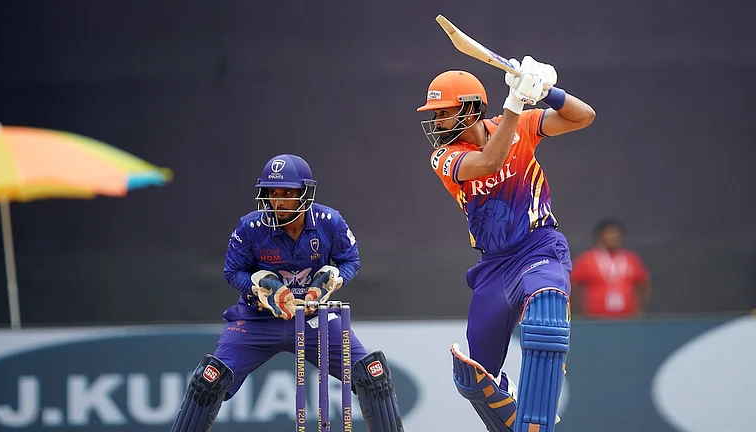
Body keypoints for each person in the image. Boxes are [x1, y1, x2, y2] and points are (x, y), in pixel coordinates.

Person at [416, 57, 595, 432]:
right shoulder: (443, 156)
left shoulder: (523, 124)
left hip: (538, 246)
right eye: (435, 115)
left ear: (470, 110)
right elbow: (488, 163)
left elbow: (584, 116)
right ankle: (513, 412)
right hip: (494, 265)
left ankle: (538, 421)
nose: (437, 123)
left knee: (545, 311)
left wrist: (548, 92)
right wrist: (515, 101)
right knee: (473, 376)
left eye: (444, 113)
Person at [171, 154, 405, 432]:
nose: (278, 201)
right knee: (209, 380)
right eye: (272, 193)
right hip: (257, 319)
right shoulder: (251, 227)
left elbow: (350, 260)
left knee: (371, 375)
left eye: (287, 193)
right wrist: (261, 287)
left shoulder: (329, 221)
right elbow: (233, 272)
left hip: (313, 319)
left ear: (305, 193)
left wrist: (332, 279)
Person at [570, 219, 651, 318]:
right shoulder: (587, 259)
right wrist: (579, 310)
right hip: (595, 319)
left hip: (628, 319)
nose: (612, 237)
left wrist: (639, 307)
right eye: (608, 233)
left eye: (615, 234)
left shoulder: (631, 259)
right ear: (600, 237)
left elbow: (644, 283)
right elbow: (572, 284)